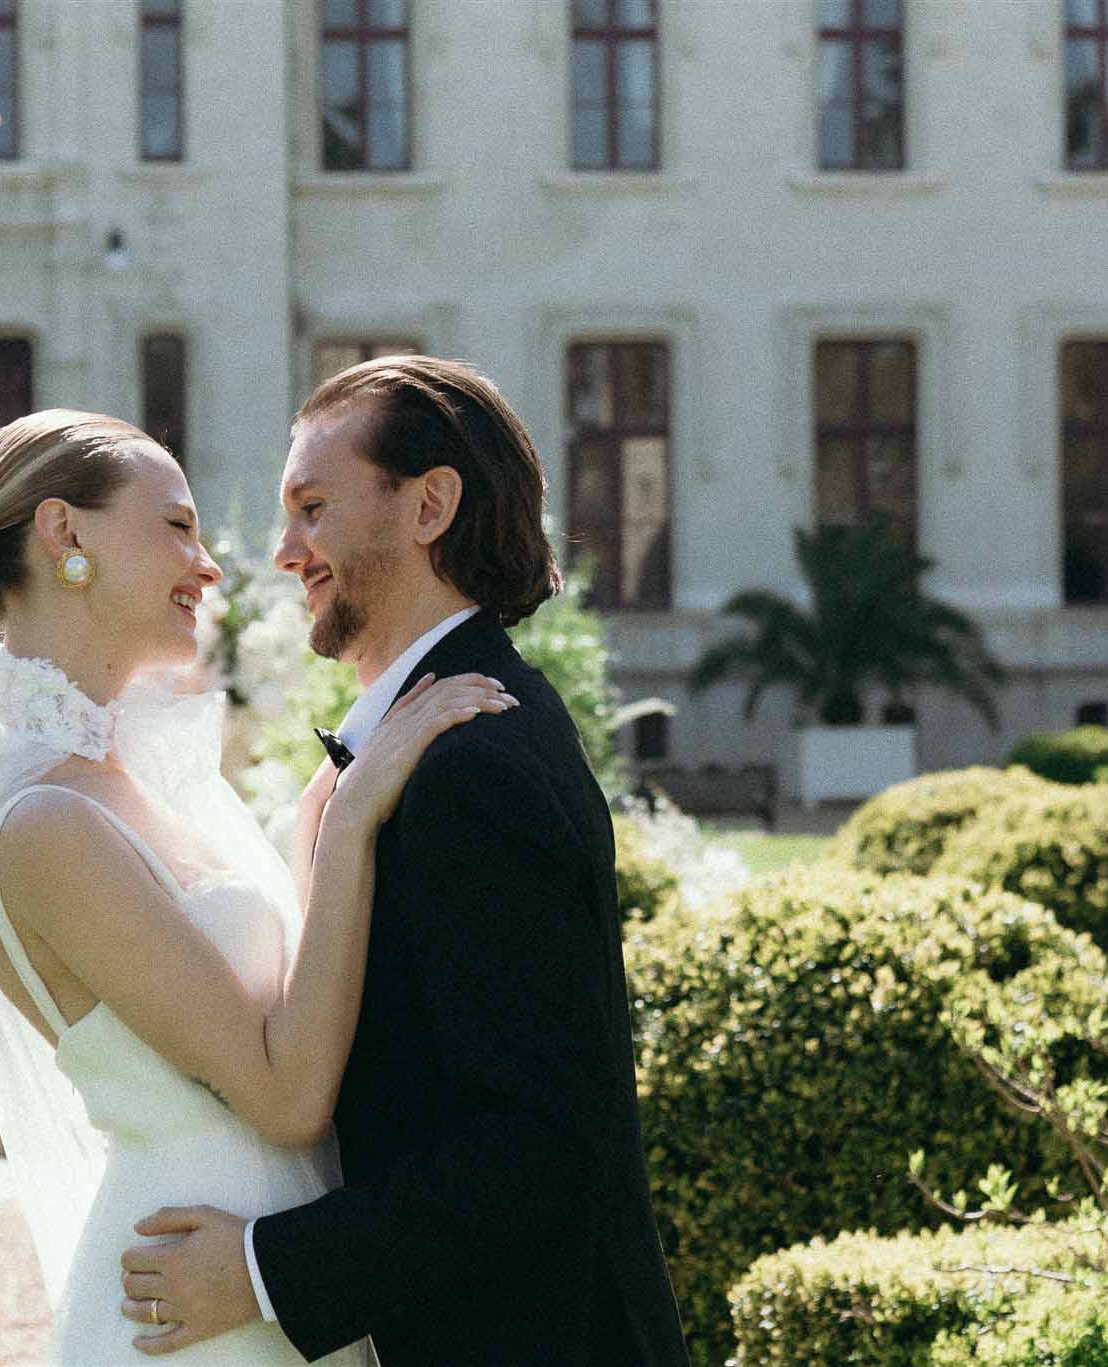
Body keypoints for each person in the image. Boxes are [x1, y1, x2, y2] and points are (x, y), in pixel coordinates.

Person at [118, 357, 689, 1365]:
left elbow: (539, 1142)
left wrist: (261, 1269)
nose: (284, 551)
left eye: (313, 508)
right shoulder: (429, 742)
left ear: (429, 506)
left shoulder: (472, 766)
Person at [0, 408, 514, 1365]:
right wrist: (353, 826)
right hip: (189, 1308)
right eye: (176, 525)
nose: (208, 566)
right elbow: (285, 1097)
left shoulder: (120, 782)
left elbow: (270, 1003)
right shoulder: (41, 826)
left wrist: (316, 823)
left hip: (257, 1279)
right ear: (65, 531)